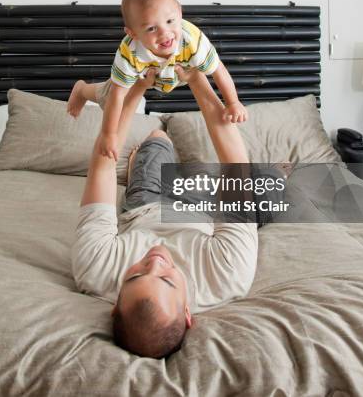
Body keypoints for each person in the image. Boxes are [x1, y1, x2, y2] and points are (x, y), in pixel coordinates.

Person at [71, 66, 258, 359]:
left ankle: (146, 157)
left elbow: (103, 166)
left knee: (158, 137)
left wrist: (137, 89)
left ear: (115, 304)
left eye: (135, 276)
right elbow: (235, 166)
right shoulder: (227, 274)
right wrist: (197, 79)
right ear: (187, 312)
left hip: (143, 205)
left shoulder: (95, 269)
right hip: (200, 213)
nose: (155, 261)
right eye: (167, 279)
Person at [67, 0, 248, 161]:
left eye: (170, 21)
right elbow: (117, 95)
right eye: (152, 28)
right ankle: (82, 89)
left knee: (214, 101)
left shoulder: (193, 40)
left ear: (179, 11)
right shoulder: (129, 53)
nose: (165, 33)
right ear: (133, 33)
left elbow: (219, 70)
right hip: (142, 75)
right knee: (107, 95)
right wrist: (109, 134)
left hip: (183, 72)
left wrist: (233, 103)